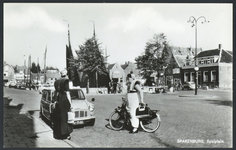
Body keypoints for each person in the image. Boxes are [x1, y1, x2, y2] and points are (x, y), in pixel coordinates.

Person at [51, 69, 73, 140]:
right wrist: (70, 103)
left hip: (59, 100)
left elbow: (55, 92)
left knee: (59, 117)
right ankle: (66, 134)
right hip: (64, 100)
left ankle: (58, 134)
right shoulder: (66, 81)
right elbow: (67, 93)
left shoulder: (56, 82)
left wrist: (55, 101)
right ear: (66, 74)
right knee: (65, 118)